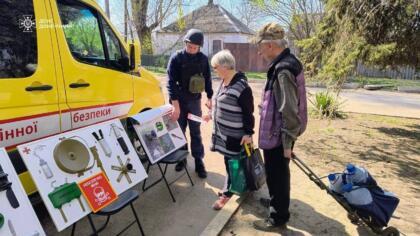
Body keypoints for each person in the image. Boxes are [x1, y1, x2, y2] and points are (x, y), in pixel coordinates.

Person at [251, 23, 307, 232]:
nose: (259, 51)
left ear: (272, 46)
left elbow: (290, 110)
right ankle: (276, 201)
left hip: (278, 135)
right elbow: (279, 100)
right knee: (275, 173)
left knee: (278, 174)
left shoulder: (283, 69)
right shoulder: (287, 62)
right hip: (276, 131)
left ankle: (278, 217)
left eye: (261, 47)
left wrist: (287, 143)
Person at [208, 50, 254, 210]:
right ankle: (241, 185)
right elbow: (222, 102)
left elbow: (249, 113)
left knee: (232, 162)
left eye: (215, 67)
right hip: (224, 134)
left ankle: (228, 192)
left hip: (236, 136)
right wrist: (211, 113)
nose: (214, 70)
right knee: (231, 161)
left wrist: (248, 133)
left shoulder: (242, 87)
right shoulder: (225, 81)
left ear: (225, 66)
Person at [167, 29, 213, 178]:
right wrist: (176, 106)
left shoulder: (203, 59)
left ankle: (199, 161)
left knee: (195, 131)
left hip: (194, 102)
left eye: (195, 47)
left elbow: (207, 78)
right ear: (185, 43)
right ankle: (182, 158)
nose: (192, 49)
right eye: (189, 46)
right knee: (179, 131)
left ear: (199, 47)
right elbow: (171, 83)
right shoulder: (176, 58)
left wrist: (209, 96)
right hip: (178, 101)